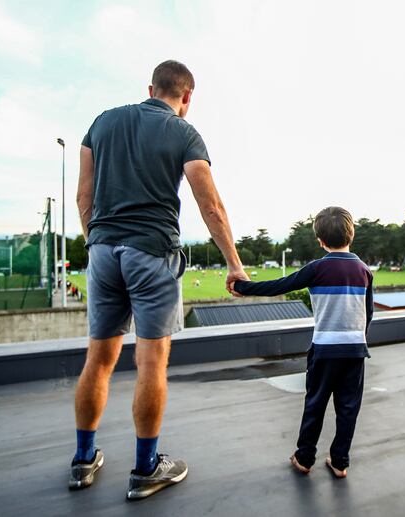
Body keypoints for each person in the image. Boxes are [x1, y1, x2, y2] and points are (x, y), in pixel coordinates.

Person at [71, 60, 248, 500]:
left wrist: (97, 242)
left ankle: (83, 461)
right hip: (152, 253)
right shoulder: (184, 132)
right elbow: (211, 206)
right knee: (151, 363)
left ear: (151, 89)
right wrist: (234, 263)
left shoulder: (101, 123)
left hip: (103, 252)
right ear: (187, 97)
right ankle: (146, 468)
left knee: (98, 360)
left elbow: (83, 196)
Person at [230, 207, 373, 478]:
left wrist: (242, 287)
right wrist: (357, 340)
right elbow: (369, 314)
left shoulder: (317, 269)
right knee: (348, 409)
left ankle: (305, 458)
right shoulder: (364, 270)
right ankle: (340, 462)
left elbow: (279, 286)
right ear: (351, 234)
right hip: (355, 350)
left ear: (320, 240)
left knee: (315, 404)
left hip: (324, 351)